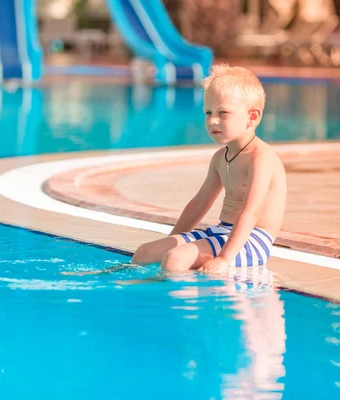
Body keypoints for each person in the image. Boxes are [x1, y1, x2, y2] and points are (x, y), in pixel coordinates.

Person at [63, 64, 286, 277]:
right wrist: (174, 239)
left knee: (175, 260)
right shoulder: (220, 157)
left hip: (252, 240)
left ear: (252, 116)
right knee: (145, 253)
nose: (213, 121)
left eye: (223, 113)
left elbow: (251, 212)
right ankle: (123, 282)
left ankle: (183, 309)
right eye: (208, 113)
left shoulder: (261, 158)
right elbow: (199, 203)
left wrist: (225, 259)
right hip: (222, 231)